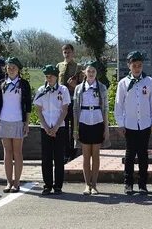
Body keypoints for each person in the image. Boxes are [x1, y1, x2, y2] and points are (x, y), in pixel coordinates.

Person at [115, 50, 152, 195]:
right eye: (134, 65)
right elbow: (118, 104)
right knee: (129, 155)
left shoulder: (149, 81)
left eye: (139, 65)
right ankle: (128, 183)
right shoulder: (123, 83)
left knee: (143, 155)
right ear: (129, 65)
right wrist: (120, 123)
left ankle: (142, 184)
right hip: (130, 124)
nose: (137, 68)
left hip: (145, 123)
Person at [73, 61, 110, 195]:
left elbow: (105, 108)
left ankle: (94, 184)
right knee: (85, 156)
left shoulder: (102, 87)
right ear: (84, 72)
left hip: (97, 121)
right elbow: (75, 108)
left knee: (96, 155)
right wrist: (75, 129)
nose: (91, 74)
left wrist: (106, 128)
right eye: (88, 71)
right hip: (84, 121)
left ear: (96, 73)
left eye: (93, 71)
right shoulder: (79, 88)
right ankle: (86, 184)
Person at [0, 57, 31, 193]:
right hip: (4, 120)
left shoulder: (24, 84)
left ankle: (17, 182)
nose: (11, 70)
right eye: (9, 67)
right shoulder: (1, 83)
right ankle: (8, 182)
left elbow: (28, 105)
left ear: (18, 69)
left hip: (18, 120)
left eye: (13, 67)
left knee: (17, 152)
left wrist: (26, 123)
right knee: (7, 152)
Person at [34, 65, 70, 195]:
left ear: (56, 76)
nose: (49, 79)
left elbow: (64, 110)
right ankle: (47, 185)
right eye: (47, 76)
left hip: (58, 127)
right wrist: (45, 126)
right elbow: (38, 110)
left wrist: (55, 127)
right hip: (45, 128)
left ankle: (58, 185)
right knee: (46, 157)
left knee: (59, 157)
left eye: (51, 76)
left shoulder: (63, 90)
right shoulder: (41, 90)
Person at [57, 43, 83, 162]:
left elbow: (83, 86)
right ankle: (64, 152)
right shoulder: (59, 66)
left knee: (74, 128)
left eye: (69, 52)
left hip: (73, 99)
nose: (67, 54)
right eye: (65, 52)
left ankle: (73, 153)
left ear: (73, 53)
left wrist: (75, 85)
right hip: (61, 101)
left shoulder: (78, 67)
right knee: (63, 127)